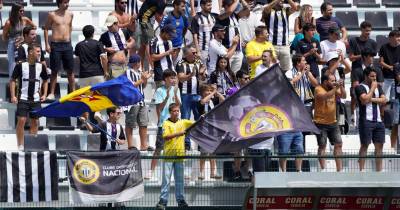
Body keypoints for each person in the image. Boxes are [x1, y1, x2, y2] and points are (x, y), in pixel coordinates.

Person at [277, 54, 318, 172]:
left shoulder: (306, 73)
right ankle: (283, 170)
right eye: (303, 61)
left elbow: (315, 84)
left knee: (299, 146)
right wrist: (301, 74)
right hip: (291, 107)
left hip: (303, 107)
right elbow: (289, 84)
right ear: (297, 63)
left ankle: (299, 170)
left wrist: (308, 74)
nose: (305, 63)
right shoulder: (290, 73)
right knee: (284, 149)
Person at [10, 44, 49, 150]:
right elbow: (13, 80)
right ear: (30, 52)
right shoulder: (21, 65)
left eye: (40, 51)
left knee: (35, 122)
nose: (39, 53)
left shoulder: (41, 66)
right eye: (37, 51)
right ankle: (20, 145)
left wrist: (45, 94)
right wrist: (13, 96)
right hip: (23, 97)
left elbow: (45, 80)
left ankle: (32, 144)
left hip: (36, 99)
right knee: (21, 120)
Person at [156, 103, 194, 209]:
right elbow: (166, 136)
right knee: (166, 180)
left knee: (180, 180)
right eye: (174, 111)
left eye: (178, 111)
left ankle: (180, 200)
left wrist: (202, 117)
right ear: (170, 112)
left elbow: (195, 123)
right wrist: (179, 133)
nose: (176, 113)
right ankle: (163, 201)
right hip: (169, 155)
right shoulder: (165, 123)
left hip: (180, 155)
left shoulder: (183, 122)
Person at [146, 70, 181, 180]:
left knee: (176, 149)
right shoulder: (159, 90)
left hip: (175, 124)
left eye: (174, 78)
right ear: (165, 79)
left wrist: (174, 93)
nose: (173, 80)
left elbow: (178, 105)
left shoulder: (176, 89)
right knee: (158, 148)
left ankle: (176, 173)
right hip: (163, 124)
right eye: (171, 78)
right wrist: (166, 97)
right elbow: (159, 108)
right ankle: (151, 171)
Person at [356, 67, 387, 172]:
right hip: (366, 120)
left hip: (378, 120)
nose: (374, 79)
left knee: (380, 145)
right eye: (372, 76)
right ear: (366, 76)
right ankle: (361, 170)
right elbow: (364, 100)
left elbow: (384, 100)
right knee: (365, 145)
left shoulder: (378, 86)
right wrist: (373, 89)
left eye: (375, 76)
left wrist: (371, 99)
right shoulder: (360, 87)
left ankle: (379, 170)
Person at [313, 73, 346, 172]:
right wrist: (336, 88)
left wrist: (341, 86)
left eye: (335, 80)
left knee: (339, 144)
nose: (334, 82)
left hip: (333, 122)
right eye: (332, 81)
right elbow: (325, 96)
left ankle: (339, 170)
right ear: (325, 82)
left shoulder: (334, 88)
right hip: (320, 123)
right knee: (322, 145)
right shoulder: (318, 89)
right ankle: (323, 169)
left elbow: (344, 96)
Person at [176, 46, 206, 149]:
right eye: (193, 53)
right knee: (185, 119)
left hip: (197, 94)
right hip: (185, 95)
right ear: (186, 54)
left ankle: (200, 144)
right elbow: (180, 78)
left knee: (199, 119)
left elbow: (202, 72)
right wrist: (190, 75)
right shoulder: (181, 63)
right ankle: (186, 144)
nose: (195, 54)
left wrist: (202, 73)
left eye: (195, 52)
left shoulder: (198, 61)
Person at [44, 0, 74, 100]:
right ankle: (52, 93)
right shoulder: (52, 14)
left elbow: (70, 27)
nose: (67, 4)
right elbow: (46, 28)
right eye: (65, 2)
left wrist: (70, 40)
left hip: (67, 44)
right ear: (60, 3)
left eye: (68, 2)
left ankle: (73, 93)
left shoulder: (70, 14)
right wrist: (47, 44)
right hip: (56, 45)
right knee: (54, 70)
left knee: (70, 70)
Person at [261, 0, 299, 72]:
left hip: (285, 46)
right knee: (270, 70)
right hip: (271, 46)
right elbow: (266, 9)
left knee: (286, 71)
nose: (282, 1)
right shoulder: (269, 10)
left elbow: (295, 8)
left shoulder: (285, 10)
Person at [125, 54, 153, 151]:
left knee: (143, 123)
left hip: (142, 101)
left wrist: (145, 80)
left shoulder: (139, 72)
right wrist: (143, 79)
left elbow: (142, 87)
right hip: (132, 102)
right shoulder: (128, 72)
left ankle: (144, 145)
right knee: (130, 124)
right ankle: (130, 145)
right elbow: (131, 86)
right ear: (137, 63)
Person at [197, 85, 224, 180]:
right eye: (207, 91)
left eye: (209, 90)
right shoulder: (200, 101)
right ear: (202, 92)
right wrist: (213, 92)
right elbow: (204, 101)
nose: (208, 92)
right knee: (203, 153)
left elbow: (223, 101)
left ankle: (213, 172)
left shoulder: (213, 102)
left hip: (213, 129)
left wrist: (218, 93)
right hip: (203, 129)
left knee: (213, 152)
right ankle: (201, 172)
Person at [379, 30, 400, 148]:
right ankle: (382, 120)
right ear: (391, 38)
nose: (398, 39)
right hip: (386, 78)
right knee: (383, 100)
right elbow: (381, 62)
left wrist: (396, 70)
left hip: (398, 80)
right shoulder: (384, 47)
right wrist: (392, 67)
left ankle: (393, 122)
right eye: (397, 37)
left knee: (396, 102)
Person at [2, 3, 35, 78]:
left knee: (25, 63)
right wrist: (13, 38)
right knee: (13, 65)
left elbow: (34, 26)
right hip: (13, 44)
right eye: (20, 11)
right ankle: (13, 84)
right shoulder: (8, 22)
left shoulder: (25, 19)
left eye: (23, 11)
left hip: (23, 43)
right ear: (15, 11)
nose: (22, 12)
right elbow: (4, 37)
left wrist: (25, 35)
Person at [216, 0, 250, 73]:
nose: (234, 7)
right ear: (225, 6)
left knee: (235, 76)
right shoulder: (221, 15)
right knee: (226, 74)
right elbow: (229, 11)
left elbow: (247, 10)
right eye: (230, 5)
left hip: (238, 52)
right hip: (228, 51)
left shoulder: (235, 16)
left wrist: (242, 1)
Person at [138, 0, 167, 71]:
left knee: (143, 46)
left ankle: (140, 67)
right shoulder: (162, 2)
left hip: (143, 19)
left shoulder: (159, 2)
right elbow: (158, 16)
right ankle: (153, 68)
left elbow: (160, 13)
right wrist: (162, 26)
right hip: (146, 21)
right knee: (149, 44)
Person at [191, 0, 217, 66]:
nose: (210, 7)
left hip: (212, 49)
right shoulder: (196, 18)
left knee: (212, 69)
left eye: (211, 5)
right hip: (202, 50)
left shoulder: (213, 17)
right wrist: (198, 51)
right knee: (202, 70)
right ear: (202, 6)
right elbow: (195, 35)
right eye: (208, 5)